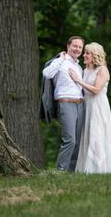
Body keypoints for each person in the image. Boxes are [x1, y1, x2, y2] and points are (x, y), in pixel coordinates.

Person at [68, 42, 111, 173]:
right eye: (85, 53)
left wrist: (78, 80)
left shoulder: (103, 70)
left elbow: (96, 90)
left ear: (95, 55)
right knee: (87, 135)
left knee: (97, 135)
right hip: (87, 105)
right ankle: (85, 169)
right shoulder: (85, 70)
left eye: (87, 53)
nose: (84, 55)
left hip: (98, 106)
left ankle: (98, 169)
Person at [42, 36, 85, 171]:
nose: (77, 49)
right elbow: (47, 74)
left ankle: (71, 172)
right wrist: (61, 58)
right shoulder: (59, 62)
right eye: (75, 46)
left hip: (80, 104)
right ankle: (61, 171)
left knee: (78, 141)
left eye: (80, 47)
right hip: (66, 103)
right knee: (70, 139)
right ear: (68, 46)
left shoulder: (78, 67)